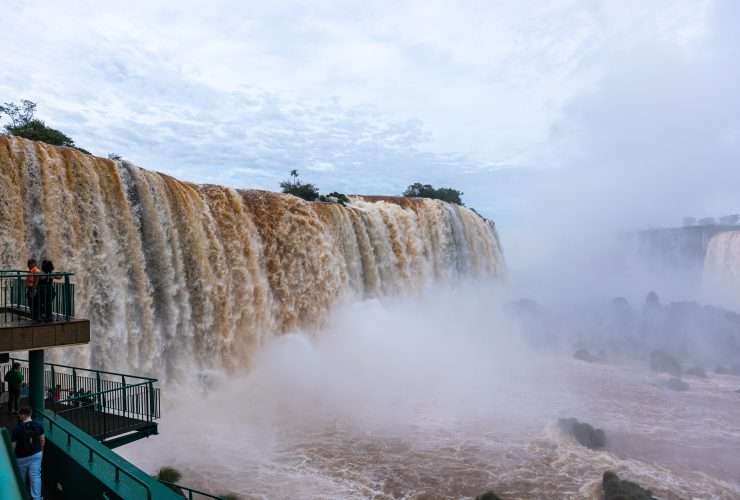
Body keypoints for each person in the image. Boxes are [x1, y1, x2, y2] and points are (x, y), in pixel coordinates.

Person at [11, 406, 45, 500]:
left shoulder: (16, 429)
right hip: (36, 454)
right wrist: (41, 451)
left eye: (20, 415)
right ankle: (37, 498)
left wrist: (12, 458)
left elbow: (13, 446)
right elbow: (42, 440)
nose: (19, 416)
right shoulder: (39, 425)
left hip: (21, 457)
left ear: (23, 415)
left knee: (20, 478)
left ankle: (20, 496)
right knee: (35, 477)